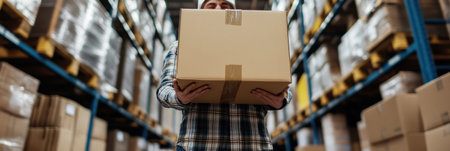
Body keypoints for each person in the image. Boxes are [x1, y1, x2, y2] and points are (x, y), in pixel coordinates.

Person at [157, 0, 292, 150]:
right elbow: (163, 90)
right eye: (212, 5)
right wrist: (179, 98)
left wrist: (281, 100)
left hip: (252, 144)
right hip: (199, 145)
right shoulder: (181, 46)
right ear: (200, 12)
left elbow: (282, 81)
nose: (219, 9)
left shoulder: (256, 43)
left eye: (225, 5)